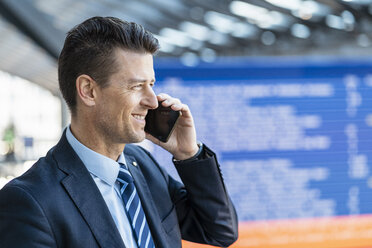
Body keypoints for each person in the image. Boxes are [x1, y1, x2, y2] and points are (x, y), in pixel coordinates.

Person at [0, 16, 238, 248]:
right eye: (136, 86)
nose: (153, 101)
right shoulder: (30, 201)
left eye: (151, 85)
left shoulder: (142, 164)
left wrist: (189, 154)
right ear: (88, 90)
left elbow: (220, 232)